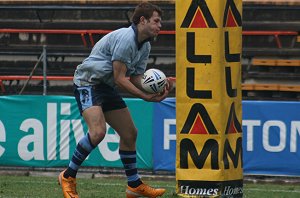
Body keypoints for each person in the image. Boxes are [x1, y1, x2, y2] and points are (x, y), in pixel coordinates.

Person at [58, 2, 174, 198]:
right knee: (98, 132)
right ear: (142, 20)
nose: (160, 25)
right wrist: (146, 97)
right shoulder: (126, 38)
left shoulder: (145, 45)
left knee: (130, 133)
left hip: (106, 85)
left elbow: (136, 77)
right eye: (156, 21)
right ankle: (68, 176)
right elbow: (121, 78)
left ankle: (134, 185)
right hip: (88, 83)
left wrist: (154, 87)